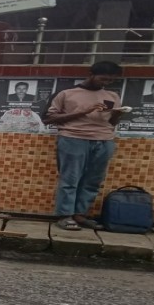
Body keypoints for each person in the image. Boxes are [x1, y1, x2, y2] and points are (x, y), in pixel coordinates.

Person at [43, 61, 123, 231]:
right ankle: (65, 215)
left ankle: (80, 214)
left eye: (110, 80)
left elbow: (112, 122)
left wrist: (117, 114)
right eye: (103, 78)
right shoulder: (67, 93)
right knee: (70, 179)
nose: (106, 83)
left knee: (93, 180)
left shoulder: (112, 96)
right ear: (91, 74)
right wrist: (83, 112)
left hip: (104, 140)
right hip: (73, 138)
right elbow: (48, 119)